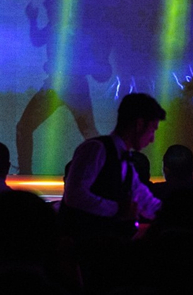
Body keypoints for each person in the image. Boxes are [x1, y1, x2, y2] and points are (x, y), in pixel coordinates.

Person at [15, 0, 111, 174]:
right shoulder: (56, 27)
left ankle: (109, 169)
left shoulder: (74, 31)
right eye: (48, 10)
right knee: (89, 132)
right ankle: (109, 168)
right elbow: (38, 40)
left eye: (51, 9)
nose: (49, 13)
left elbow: (87, 62)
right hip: (63, 87)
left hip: (69, 87)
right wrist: (33, 20)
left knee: (89, 132)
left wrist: (58, 67)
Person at [60, 92, 165, 241]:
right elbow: (75, 195)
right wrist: (118, 209)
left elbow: (143, 198)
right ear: (139, 124)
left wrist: (169, 214)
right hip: (82, 246)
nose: (152, 138)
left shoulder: (124, 160)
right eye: (152, 129)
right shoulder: (96, 149)